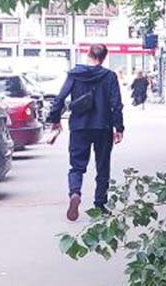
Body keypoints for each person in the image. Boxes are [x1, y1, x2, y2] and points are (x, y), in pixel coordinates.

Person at [46, 44, 125, 221]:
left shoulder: (75, 74)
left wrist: (55, 119)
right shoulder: (109, 76)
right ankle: (100, 205)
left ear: (88, 54)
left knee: (77, 165)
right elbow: (116, 104)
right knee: (102, 166)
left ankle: (75, 193)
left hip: (79, 127)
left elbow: (60, 98)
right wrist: (118, 128)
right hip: (102, 127)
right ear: (104, 57)